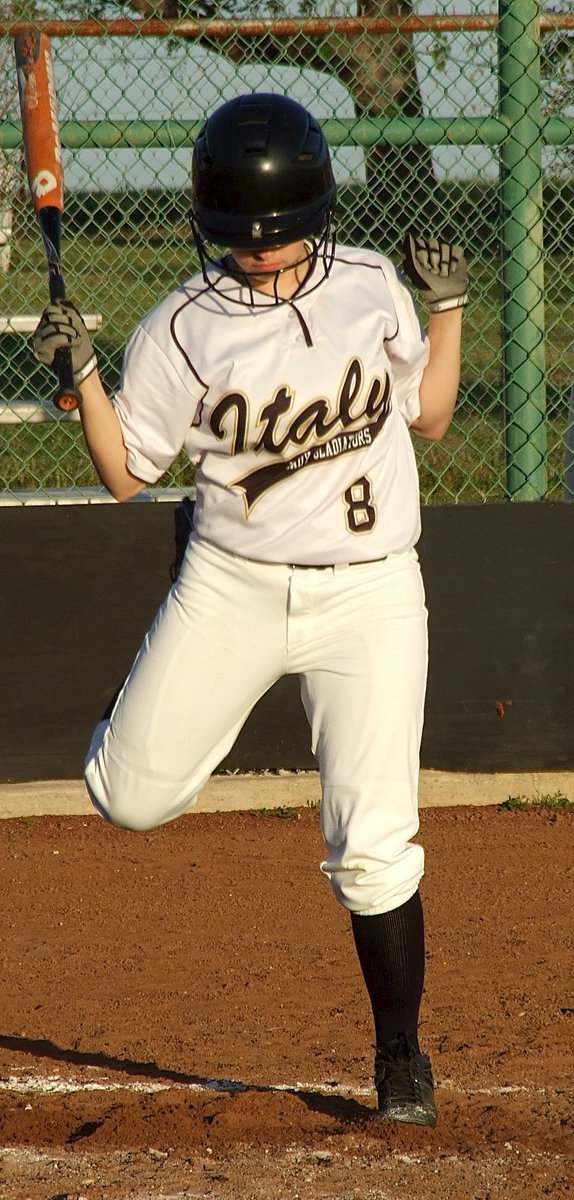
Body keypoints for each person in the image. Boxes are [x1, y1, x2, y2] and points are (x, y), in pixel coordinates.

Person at [33, 92, 467, 1127]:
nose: (264, 259)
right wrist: (85, 373)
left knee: (372, 841)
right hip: (230, 583)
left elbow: (434, 418)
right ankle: (138, 698)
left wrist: (447, 310)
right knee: (128, 799)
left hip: (369, 592)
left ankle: (400, 1057)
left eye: (281, 240)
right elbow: (128, 474)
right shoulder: (181, 327)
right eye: (242, 243)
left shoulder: (369, 288)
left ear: (319, 218)